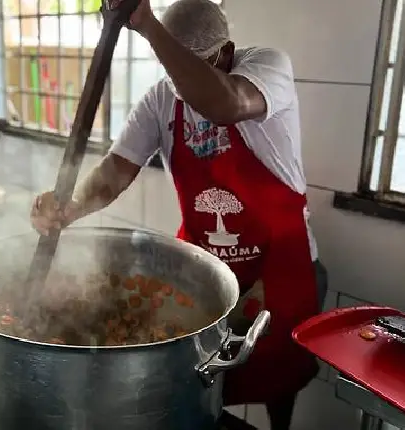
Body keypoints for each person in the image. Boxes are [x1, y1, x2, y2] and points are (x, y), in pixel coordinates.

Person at [30, 0, 328, 428]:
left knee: (280, 376)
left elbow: (225, 103)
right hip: (205, 266)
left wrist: (149, 25)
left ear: (225, 52)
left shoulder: (266, 67)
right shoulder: (160, 99)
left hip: (279, 265)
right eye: (174, 69)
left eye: (195, 65)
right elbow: (116, 170)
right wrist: (71, 208)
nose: (181, 84)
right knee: (199, 379)